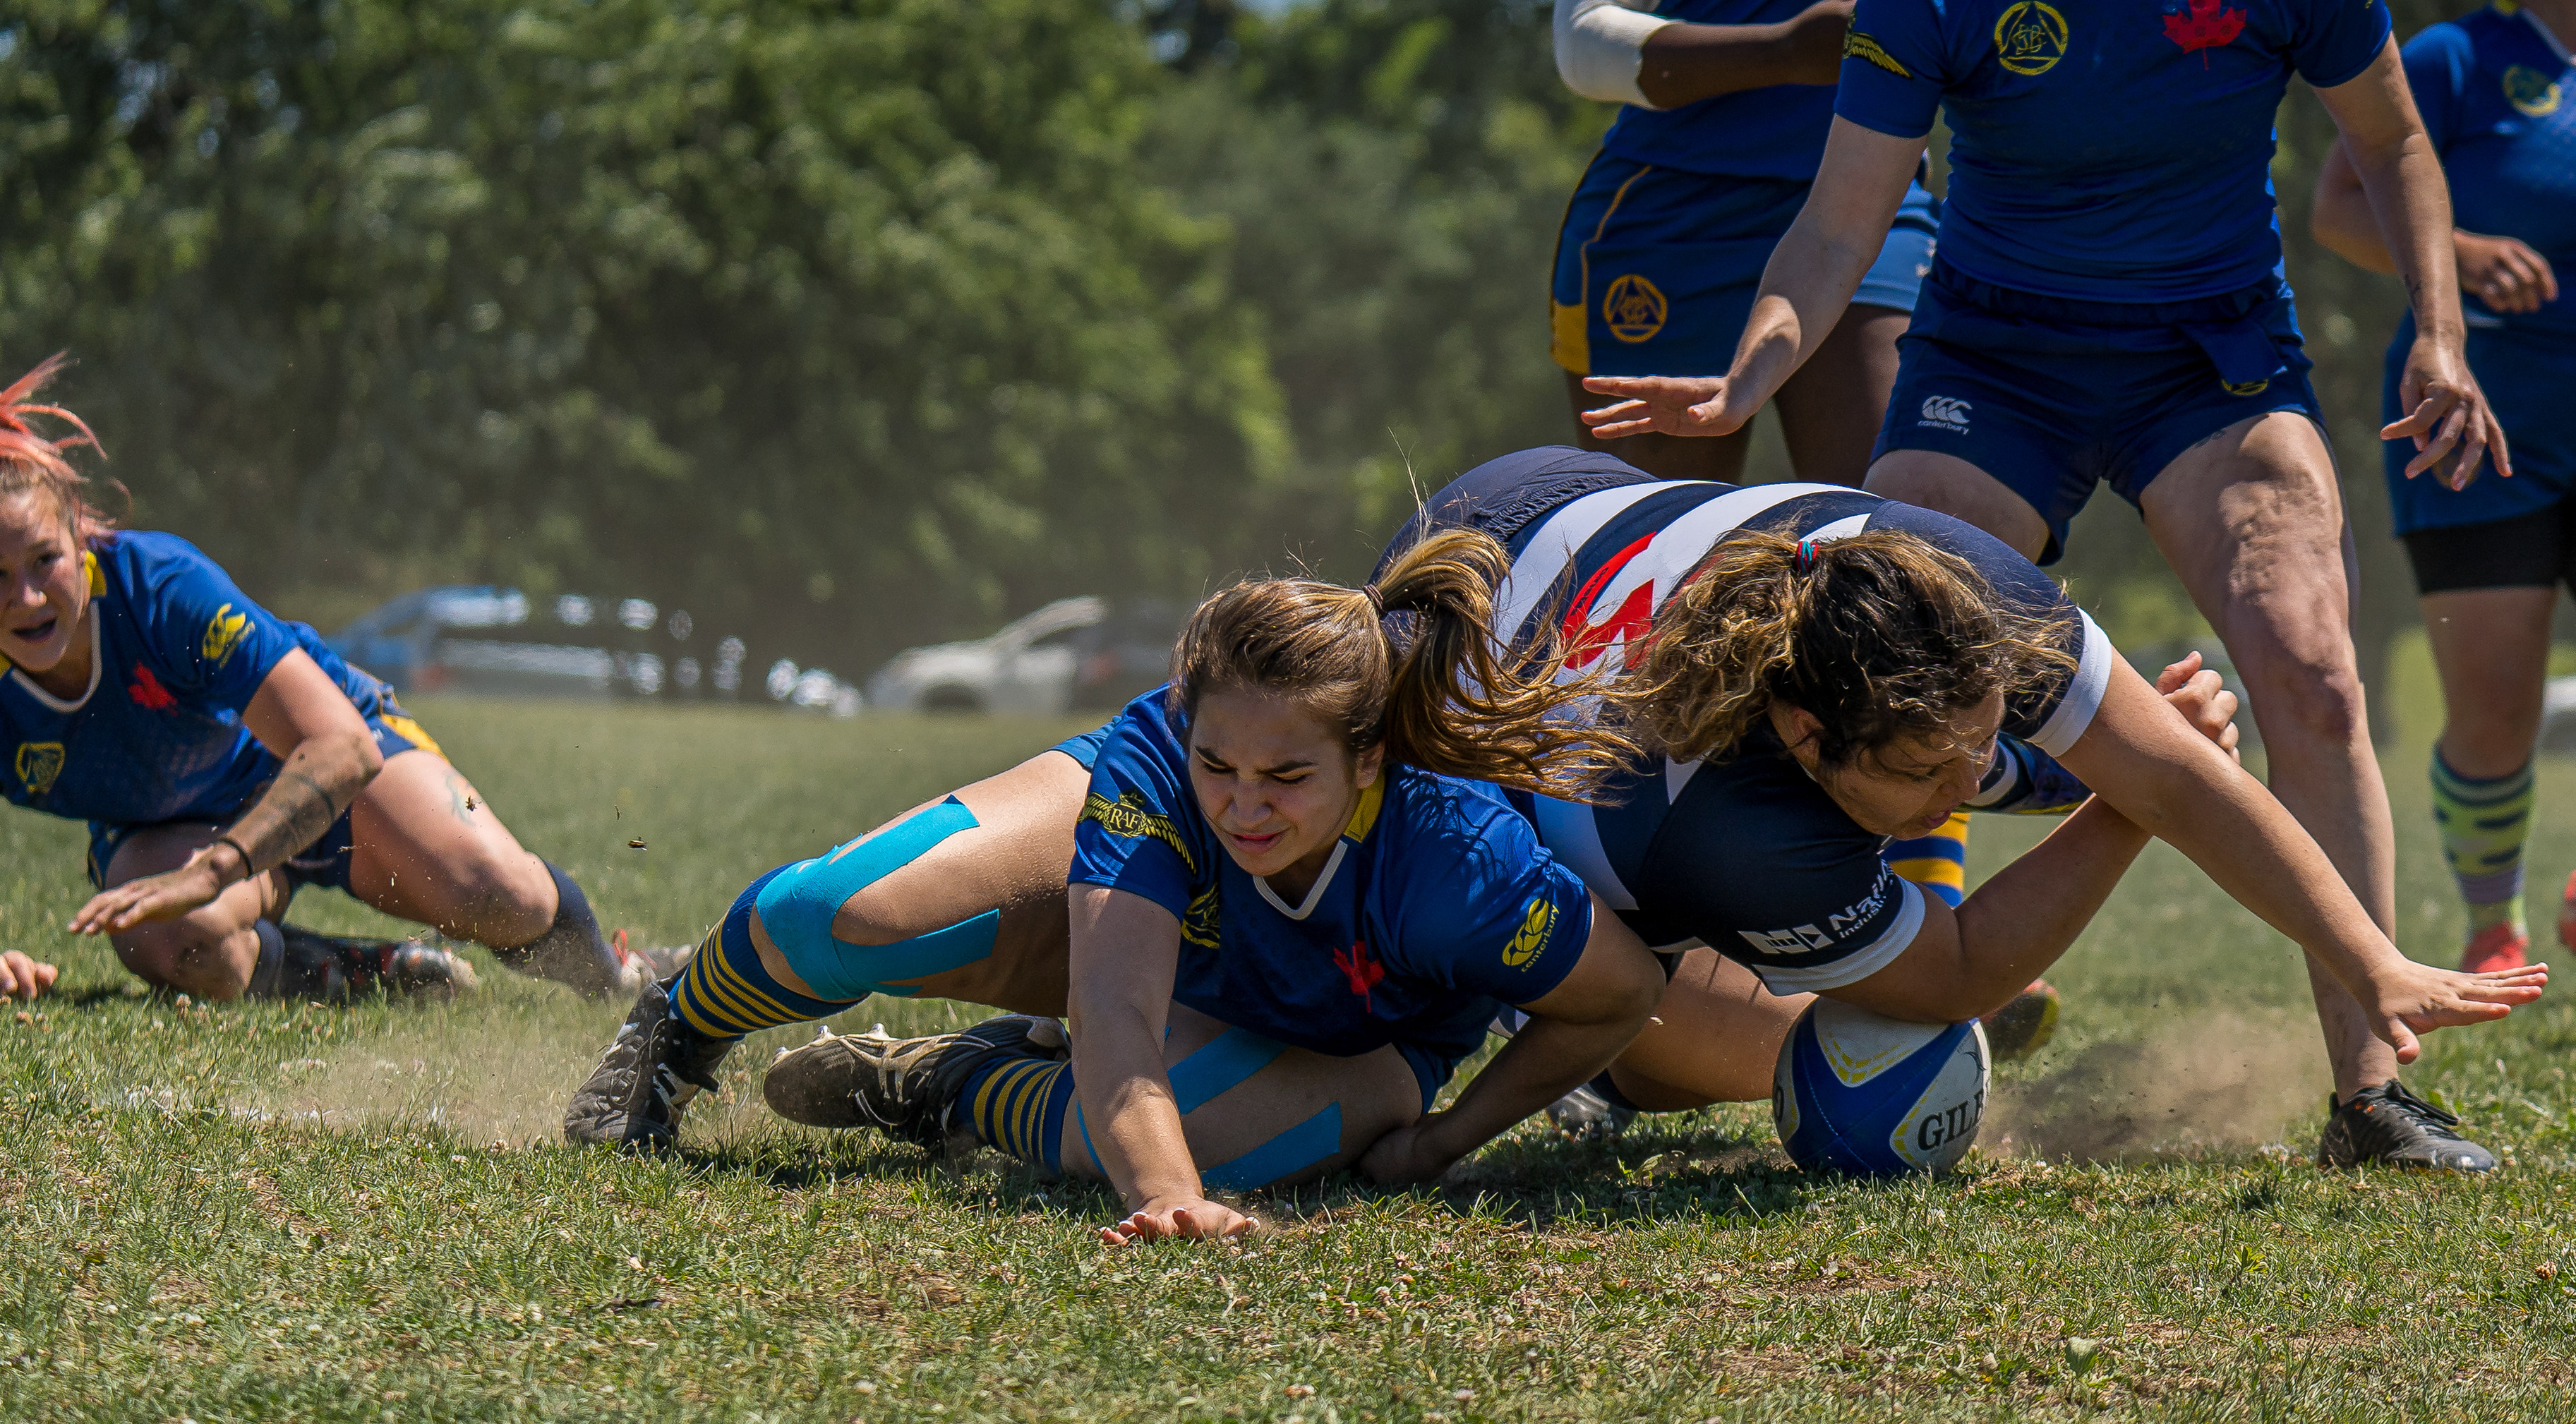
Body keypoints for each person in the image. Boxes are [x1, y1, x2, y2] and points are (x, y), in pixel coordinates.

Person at [1572, 0, 2515, 1166]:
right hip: (1993, 367)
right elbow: (1836, 226)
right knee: (1872, 657)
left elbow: (2396, 141)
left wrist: (2441, 332)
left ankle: (2377, 1102)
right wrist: (1745, 379)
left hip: (2212, 360)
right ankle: (1747, 1003)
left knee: (2315, 674)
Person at [1383, 447, 2542, 1169]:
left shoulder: (1963, 592)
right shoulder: (1735, 831)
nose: (1963, 794)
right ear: (1806, 740)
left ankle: (1623, 1069)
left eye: (1984, 742)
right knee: (1683, 1016)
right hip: (1463, 613)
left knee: (2056, 768)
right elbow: (1956, 972)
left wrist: (2372, 958)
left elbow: (2188, 779)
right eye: (1929, 782)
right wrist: (2122, 803)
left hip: (1571, 505)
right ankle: (1593, 1061)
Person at [568, 531, 1669, 1244]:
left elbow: (1616, 994)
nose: (1245, 806)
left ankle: (953, 1083)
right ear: (1183, 726)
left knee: (1317, 1118)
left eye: (1288, 778)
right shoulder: (1160, 767)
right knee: (842, 915)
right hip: (1157, 954)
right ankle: (678, 1023)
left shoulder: (1457, 860)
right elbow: (1115, 1006)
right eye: (1218, 767)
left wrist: (1447, 1138)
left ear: (1370, 758)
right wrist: (1163, 1198)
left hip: (1344, 1041)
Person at [0, 358, 662, 1006]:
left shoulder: (160, 588)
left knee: (494, 892)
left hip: (329, 763)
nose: (27, 597)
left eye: (44, 560)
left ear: (80, 537)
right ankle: (361, 973)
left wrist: (223, 868)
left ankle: (616, 977)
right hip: (180, 828)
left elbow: (342, 750)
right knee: (174, 939)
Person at [1550, 0, 1999, 1046]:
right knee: (1647, 598)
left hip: (1871, 198)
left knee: (1910, 554)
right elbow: (1584, 44)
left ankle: (1923, 913)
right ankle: (1620, 969)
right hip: (1670, 218)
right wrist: (1792, 48)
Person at [2312, 0, 2576, 976]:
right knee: (2497, 701)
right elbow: (2336, 207)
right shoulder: (2456, 58)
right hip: (2480, 424)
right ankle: (2492, 923)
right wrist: (2458, 259)